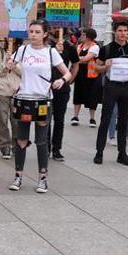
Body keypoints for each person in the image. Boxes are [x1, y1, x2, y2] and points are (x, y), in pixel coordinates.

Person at [6, 20, 69, 194]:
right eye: (31, 31)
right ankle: (18, 176)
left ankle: (43, 178)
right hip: (24, 99)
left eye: (36, 32)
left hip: (43, 101)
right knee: (21, 140)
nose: (32, 34)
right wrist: (9, 65)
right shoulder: (23, 50)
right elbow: (8, 67)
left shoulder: (51, 52)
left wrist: (60, 80)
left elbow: (68, 72)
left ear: (45, 34)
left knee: (42, 141)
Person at [93, 23, 128, 166]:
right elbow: (96, 67)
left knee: (124, 120)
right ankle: (99, 152)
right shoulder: (107, 49)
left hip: (126, 86)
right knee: (106, 119)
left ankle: (122, 153)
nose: (123, 33)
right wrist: (105, 66)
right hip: (111, 86)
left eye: (125, 30)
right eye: (120, 30)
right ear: (115, 32)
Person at [0, 37, 22, 161]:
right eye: (1, 41)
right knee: (2, 121)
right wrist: (6, 62)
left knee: (16, 122)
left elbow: (23, 72)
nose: (3, 43)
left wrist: (13, 63)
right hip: (2, 91)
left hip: (17, 92)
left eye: (6, 41)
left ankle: (16, 145)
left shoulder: (21, 52)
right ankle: (5, 147)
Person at [49, 27, 78, 160]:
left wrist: (70, 78)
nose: (55, 29)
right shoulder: (46, 46)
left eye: (58, 27)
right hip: (46, 87)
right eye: (53, 26)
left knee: (59, 120)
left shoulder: (69, 47)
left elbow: (76, 63)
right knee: (46, 120)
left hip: (62, 88)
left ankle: (56, 148)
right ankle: (45, 147)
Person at [72, 27, 102, 127]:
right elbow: (77, 58)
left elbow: (86, 58)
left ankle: (92, 118)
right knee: (78, 94)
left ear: (89, 36)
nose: (82, 36)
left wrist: (78, 59)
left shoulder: (95, 47)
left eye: (84, 35)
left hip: (91, 74)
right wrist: (79, 59)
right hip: (80, 73)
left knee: (92, 95)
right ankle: (75, 116)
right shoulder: (80, 46)